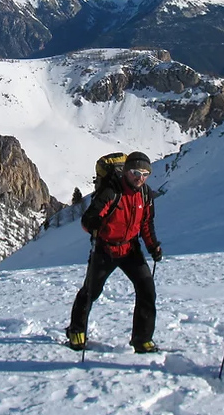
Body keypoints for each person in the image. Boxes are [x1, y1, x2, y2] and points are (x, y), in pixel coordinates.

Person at [66, 151, 163, 353]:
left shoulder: (146, 194)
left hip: (130, 248)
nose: (140, 178)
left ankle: (142, 339)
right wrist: (95, 224)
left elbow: (146, 223)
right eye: (136, 172)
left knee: (147, 290)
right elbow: (87, 220)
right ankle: (76, 331)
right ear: (126, 171)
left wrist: (153, 246)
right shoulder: (111, 192)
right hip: (106, 248)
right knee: (91, 290)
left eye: (145, 174)